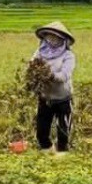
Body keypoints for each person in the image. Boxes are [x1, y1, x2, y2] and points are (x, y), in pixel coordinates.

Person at [31, 21, 75, 153]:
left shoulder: (68, 56)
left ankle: (62, 152)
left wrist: (50, 75)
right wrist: (33, 73)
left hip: (63, 98)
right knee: (42, 130)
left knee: (63, 129)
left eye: (55, 37)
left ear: (62, 39)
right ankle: (48, 150)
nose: (52, 39)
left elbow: (64, 76)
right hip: (45, 97)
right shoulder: (40, 52)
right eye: (49, 36)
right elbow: (32, 65)